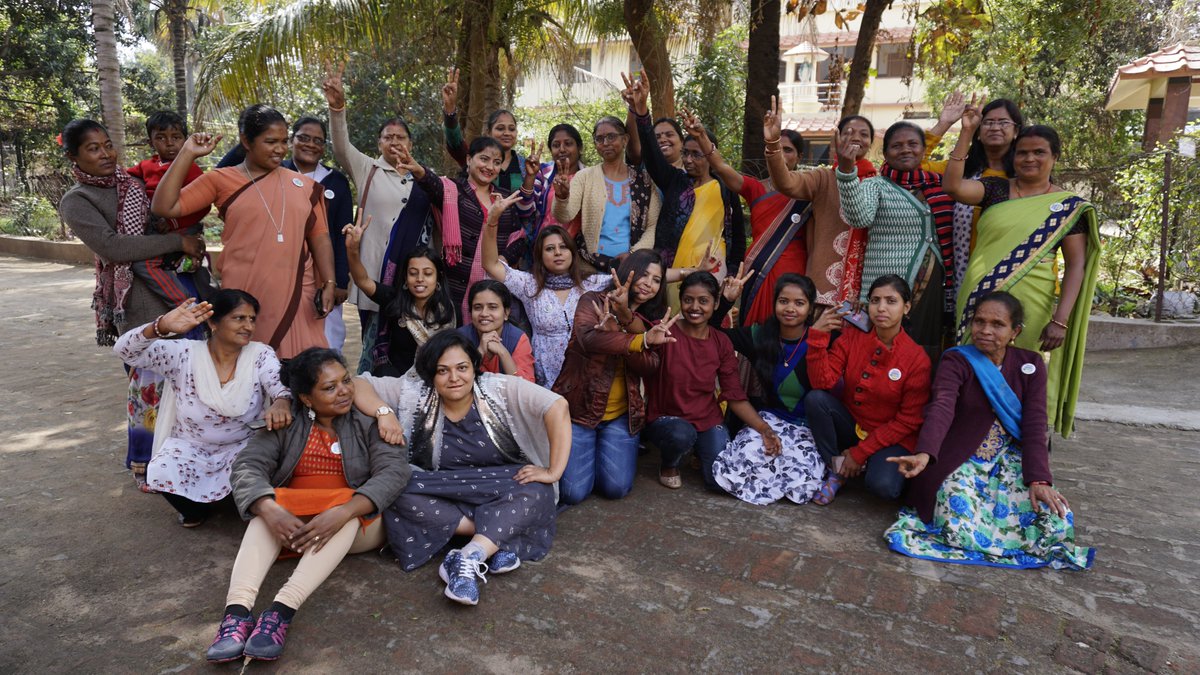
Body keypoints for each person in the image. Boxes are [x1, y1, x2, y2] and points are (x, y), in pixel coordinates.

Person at [204, 348, 410, 662]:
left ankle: (280, 612)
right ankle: (237, 614)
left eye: (345, 381)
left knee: (345, 507)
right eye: (329, 387)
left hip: (359, 523)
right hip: (297, 524)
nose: (343, 391)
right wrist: (269, 508)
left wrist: (344, 511)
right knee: (266, 507)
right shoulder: (286, 422)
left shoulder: (370, 421)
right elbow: (247, 467)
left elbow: (394, 472)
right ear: (306, 399)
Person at [352, 331, 572, 606]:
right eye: (442, 371)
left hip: (499, 483)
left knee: (538, 488)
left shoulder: (499, 388)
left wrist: (554, 471)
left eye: (462, 368)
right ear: (430, 374)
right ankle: (496, 538)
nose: (454, 378)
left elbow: (557, 406)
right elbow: (358, 383)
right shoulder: (414, 391)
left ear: (474, 367)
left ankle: (467, 555)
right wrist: (384, 413)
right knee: (397, 488)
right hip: (442, 487)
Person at [884, 292, 1095, 570]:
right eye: (979, 321)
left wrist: (1039, 479)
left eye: (997, 324)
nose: (985, 330)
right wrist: (925, 454)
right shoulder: (957, 361)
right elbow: (942, 407)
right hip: (963, 457)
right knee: (955, 505)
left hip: (1009, 459)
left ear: (1014, 331)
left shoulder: (1029, 365)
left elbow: (1034, 423)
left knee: (1051, 516)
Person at [57, 118, 207, 491]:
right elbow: (114, 247)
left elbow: (171, 212)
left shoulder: (135, 183)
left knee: (189, 385)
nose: (106, 154)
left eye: (108, 144)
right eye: (94, 148)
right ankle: (145, 464)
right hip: (136, 305)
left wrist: (185, 241)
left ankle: (187, 462)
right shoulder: (77, 201)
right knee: (149, 390)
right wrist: (176, 244)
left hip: (176, 288)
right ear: (74, 157)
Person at [943, 120, 1100, 437]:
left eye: (1039, 152)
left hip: (1031, 302)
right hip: (979, 295)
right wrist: (965, 133)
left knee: (1018, 368)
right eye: (1023, 152)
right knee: (972, 365)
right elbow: (953, 187)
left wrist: (1061, 320)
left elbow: (1076, 266)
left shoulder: (1068, 208)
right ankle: (968, 437)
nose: (1029, 159)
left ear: (1054, 156)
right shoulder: (996, 189)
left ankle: (1017, 441)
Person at [151, 104, 336, 359]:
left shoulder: (304, 186)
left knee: (305, 370)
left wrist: (328, 282)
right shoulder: (220, 180)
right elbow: (164, 206)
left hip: (298, 294)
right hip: (245, 293)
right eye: (270, 141)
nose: (280, 149)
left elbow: (320, 236)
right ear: (246, 141)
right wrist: (187, 154)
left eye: (284, 141)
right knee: (247, 368)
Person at [113, 291, 293, 526]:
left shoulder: (260, 354)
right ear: (213, 322)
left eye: (252, 319)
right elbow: (124, 351)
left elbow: (277, 383)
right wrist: (161, 326)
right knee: (162, 468)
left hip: (243, 446)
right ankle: (195, 510)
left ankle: (234, 500)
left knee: (261, 466)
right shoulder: (183, 353)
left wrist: (282, 400)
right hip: (191, 447)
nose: (248, 326)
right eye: (239, 318)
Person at [321, 66, 435, 366]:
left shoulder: (424, 178)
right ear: (379, 143)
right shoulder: (367, 168)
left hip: (413, 276)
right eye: (388, 137)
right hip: (371, 273)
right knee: (374, 343)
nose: (395, 142)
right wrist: (337, 108)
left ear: (411, 144)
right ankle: (374, 392)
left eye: (401, 137)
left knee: (411, 343)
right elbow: (341, 146)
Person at [643, 271, 781, 490]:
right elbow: (635, 335)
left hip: (707, 419)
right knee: (681, 434)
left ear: (716, 304)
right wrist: (623, 312)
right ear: (680, 301)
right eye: (688, 300)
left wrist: (764, 429)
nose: (694, 307)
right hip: (666, 418)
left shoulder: (722, 342)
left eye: (703, 301)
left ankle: (700, 451)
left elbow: (734, 394)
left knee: (720, 482)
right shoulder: (664, 330)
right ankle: (669, 464)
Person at [554, 250, 672, 504]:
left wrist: (625, 324)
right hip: (580, 411)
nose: (648, 283)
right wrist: (638, 340)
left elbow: (651, 365)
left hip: (621, 416)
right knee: (573, 493)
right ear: (628, 270)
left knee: (616, 488)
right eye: (643, 274)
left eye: (656, 279)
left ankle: (597, 454)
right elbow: (588, 339)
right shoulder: (592, 300)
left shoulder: (652, 320)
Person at [804, 275, 932, 504]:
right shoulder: (852, 338)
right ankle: (838, 470)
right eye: (875, 300)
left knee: (883, 487)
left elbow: (908, 421)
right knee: (816, 400)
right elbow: (822, 383)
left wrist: (859, 452)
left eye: (891, 301)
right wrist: (817, 336)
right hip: (853, 424)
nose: (881, 308)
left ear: (907, 307)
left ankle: (859, 463)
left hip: (891, 436)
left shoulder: (917, 359)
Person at [834, 121, 956, 358]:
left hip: (931, 281)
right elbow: (859, 217)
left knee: (923, 349)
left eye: (913, 144)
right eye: (896, 146)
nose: (905, 150)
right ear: (885, 153)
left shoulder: (940, 184)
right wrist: (847, 172)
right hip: (886, 287)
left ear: (923, 149)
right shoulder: (875, 185)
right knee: (883, 351)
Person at [683, 109, 808, 325]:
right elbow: (720, 166)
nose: (780, 154)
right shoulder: (756, 189)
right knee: (754, 330)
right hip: (757, 270)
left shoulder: (809, 190)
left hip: (794, 272)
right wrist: (700, 136)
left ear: (799, 156)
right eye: (776, 148)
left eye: (787, 150)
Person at [711, 274, 828, 505]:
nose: (790, 308)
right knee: (743, 458)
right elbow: (713, 334)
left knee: (801, 481)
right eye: (783, 301)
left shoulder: (825, 339)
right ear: (775, 303)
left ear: (811, 308)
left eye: (799, 303)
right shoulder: (759, 335)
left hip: (808, 428)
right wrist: (725, 302)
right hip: (770, 420)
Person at [625, 74, 746, 296]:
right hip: (674, 271)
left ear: (711, 154)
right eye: (686, 154)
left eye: (696, 154)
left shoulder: (726, 188)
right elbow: (651, 155)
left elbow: (737, 235)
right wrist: (641, 111)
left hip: (713, 273)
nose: (688, 160)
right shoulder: (676, 181)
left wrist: (734, 271)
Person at [401, 137, 535, 318]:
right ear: (469, 159)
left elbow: (519, 239)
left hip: (492, 287)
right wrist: (418, 170)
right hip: (456, 286)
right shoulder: (453, 190)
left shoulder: (504, 198)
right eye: (484, 159)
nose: (489, 167)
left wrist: (500, 260)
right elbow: (432, 184)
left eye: (496, 163)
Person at [764, 97, 876, 307]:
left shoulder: (878, 182)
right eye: (849, 133)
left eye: (864, 134)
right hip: (824, 289)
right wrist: (772, 145)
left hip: (865, 290)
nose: (857, 138)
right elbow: (785, 183)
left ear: (871, 143)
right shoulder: (823, 178)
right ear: (837, 138)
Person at [482, 211, 611, 386]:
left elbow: (630, 280)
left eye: (563, 247)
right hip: (547, 382)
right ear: (541, 256)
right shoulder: (530, 285)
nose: (558, 252)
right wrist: (492, 222)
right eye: (550, 249)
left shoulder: (592, 283)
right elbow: (490, 264)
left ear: (572, 253)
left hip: (586, 378)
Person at [922, 95, 1024, 283]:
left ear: (1016, 131)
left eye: (1003, 122)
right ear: (979, 130)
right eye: (988, 123)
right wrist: (945, 123)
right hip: (960, 278)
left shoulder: (1025, 179)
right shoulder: (959, 171)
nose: (994, 127)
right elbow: (914, 164)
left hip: (1010, 277)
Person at [345, 212, 456, 376]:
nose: (419, 279)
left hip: (437, 380)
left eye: (427, 274)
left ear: (438, 278)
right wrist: (352, 250)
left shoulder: (449, 310)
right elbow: (362, 281)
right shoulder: (394, 299)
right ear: (405, 278)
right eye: (413, 273)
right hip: (397, 381)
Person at [551, 116, 661, 274]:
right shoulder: (584, 176)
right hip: (590, 268)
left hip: (632, 267)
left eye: (611, 136)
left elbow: (652, 227)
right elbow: (565, 216)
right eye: (600, 139)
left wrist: (632, 255)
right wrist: (562, 197)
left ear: (625, 139)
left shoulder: (643, 179)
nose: (606, 143)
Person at [127, 111, 215, 305]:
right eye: (160, 138)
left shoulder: (190, 168)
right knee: (171, 264)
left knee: (149, 264)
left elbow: (203, 205)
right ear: (151, 143)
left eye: (176, 137)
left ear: (185, 140)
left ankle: (185, 302)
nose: (169, 143)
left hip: (184, 224)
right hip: (155, 226)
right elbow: (125, 178)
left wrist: (173, 221)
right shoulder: (147, 165)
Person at [283, 116, 354, 351]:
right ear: (291, 140)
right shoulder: (275, 172)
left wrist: (341, 280)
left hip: (325, 274)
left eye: (318, 141)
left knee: (328, 338)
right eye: (303, 138)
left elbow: (343, 233)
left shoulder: (336, 182)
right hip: (283, 270)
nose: (310, 145)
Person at [441, 67, 527, 192]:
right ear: (488, 133)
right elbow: (455, 141)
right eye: (500, 128)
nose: (507, 133)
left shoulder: (525, 166)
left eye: (512, 129)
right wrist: (450, 110)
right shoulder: (476, 157)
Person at [455, 279, 535, 381]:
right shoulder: (460, 337)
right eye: (477, 307)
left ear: (506, 313)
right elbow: (456, 380)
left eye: (492, 307)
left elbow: (526, 387)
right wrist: (479, 352)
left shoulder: (518, 338)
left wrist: (503, 353)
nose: (484, 313)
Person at [530, 123, 586, 236]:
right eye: (556, 145)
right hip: (543, 246)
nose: (562, 149)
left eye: (568, 144)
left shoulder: (589, 177)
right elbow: (525, 211)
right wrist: (530, 176)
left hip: (576, 249)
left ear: (579, 147)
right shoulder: (542, 172)